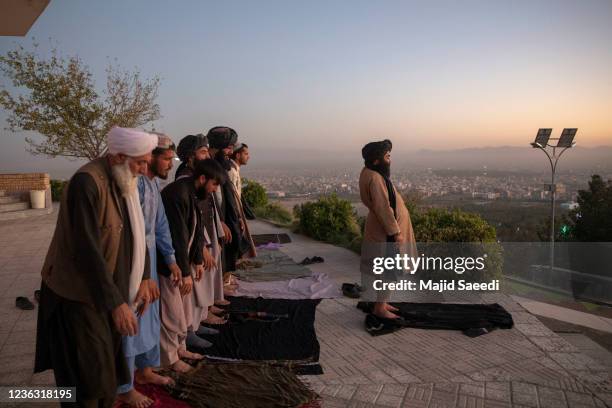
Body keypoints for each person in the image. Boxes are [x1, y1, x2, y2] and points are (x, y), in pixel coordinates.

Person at [34, 127, 158, 408]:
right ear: (119, 157)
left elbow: (135, 234)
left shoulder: (122, 178)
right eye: (140, 162)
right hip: (78, 295)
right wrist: (116, 304)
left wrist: (145, 276)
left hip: (105, 293)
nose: (143, 169)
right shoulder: (86, 183)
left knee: (107, 374)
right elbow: (87, 251)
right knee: (87, 378)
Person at [116, 133, 178, 407]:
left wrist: (172, 259)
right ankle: (124, 385)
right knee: (132, 319)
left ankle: (145, 370)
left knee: (149, 317)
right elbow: (132, 231)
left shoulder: (152, 186)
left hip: (149, 259)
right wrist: (141, 274)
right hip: (133, 261)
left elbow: (160, 225)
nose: (170, 165)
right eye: (166, 158)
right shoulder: (134, 184)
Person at [158, 158, 227, 372]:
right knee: (172, 314)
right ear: (203, 178)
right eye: (214, 184)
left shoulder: (195, 193)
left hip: (183, 263)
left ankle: (180, 349)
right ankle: (170, 359)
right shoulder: (177, 194)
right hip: (170, 266)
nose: (215, 189)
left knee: (183, 313)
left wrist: (197, 259)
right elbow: (177, 236)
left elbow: (196, 231)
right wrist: (185, 272)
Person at [359, 139, 416, 319]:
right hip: (386, 233)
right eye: (387, 156)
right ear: (377, 160)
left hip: (381, 229)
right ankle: (380, 308)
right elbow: (383, 207)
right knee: (389, 271)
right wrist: (395, 232)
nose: (390, 160)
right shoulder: (375, 178)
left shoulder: (369, 171)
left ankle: (381, 303)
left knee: (386, 270)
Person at [207, 127, 256, 281]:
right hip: (219, 218)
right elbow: (216, 196)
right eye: (228, 148)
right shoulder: (217, 167)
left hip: (225, 215)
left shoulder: (225, 166)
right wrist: (221, 220)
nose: (229, 151)